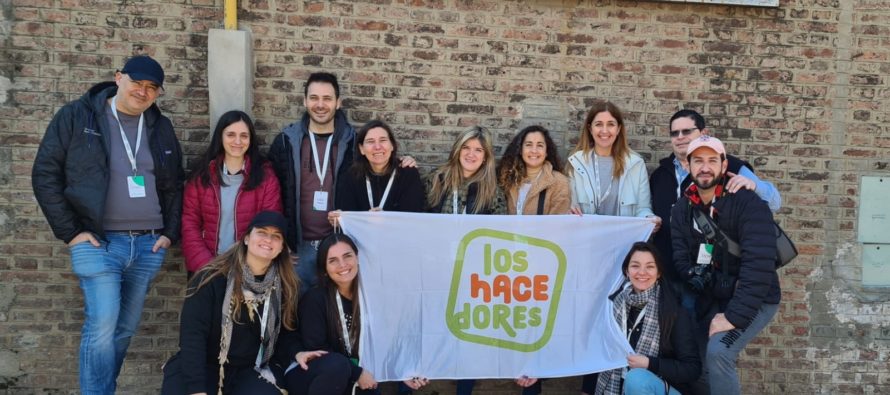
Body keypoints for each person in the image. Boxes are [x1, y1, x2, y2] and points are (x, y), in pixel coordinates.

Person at [32, 55, 183, 394]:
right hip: (99, 244)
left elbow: (174, 184)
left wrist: (169, 234)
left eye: (151, 88)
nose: (142, 92)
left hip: (147, 244)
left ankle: (103, 389)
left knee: (125, 328)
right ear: (118, 78)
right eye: (136, 83)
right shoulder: (77, 116)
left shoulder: (160, 126)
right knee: (102, 326)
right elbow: (45, 174)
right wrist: (70, 232)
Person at [268, 73, 414, 293]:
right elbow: (273, 194)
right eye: (314, 98)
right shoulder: (285, 142)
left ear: (338, 102)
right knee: (296, 312)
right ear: (304, 100)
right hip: (297, 249)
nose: (320, 105)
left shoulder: (355, 142)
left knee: (338, 311)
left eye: (327, 98)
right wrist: (280, 238)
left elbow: (376, 173)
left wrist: (402, 161)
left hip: (340, 248)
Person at [161, 211, 321, 394]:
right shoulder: (211, 278)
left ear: (282, 248)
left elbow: (284, 334)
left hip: (249, 369)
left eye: (276, 236)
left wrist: (297, 352)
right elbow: (192, 337)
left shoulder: (284, 286)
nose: (268, 240)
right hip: (203, 364)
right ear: (246, 238)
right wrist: (197, 389)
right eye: (261, 232)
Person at [670, 136, 780, 395]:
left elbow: (759, 266)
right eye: (698, 161)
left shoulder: (749, 204)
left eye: (711, 160)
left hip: (755, 296)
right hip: (715, 295)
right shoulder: (682, 208)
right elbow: (681, 259)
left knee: (719, 353)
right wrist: (701, 277)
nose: (705, 167)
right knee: (694, 360)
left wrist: (733, 317)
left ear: (723, 164)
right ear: (687, 165)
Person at [284, 233, 429, 394]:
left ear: (358, 258)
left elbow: (385, 342)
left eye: (347, 256)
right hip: (312, 375)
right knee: (336, 366)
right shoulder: (315, 299)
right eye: (333, 261)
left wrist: (402, 372)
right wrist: (357, 373)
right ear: (324, 269)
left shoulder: (371, 297)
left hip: (354, 374)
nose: (343, 264)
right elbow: (318, 351)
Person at [649, 109, 781, 283]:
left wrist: (755, 186)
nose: (679, 137)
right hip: (670, 272)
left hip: (714, 276)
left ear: (703, 133)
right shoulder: (660, 175)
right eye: (674, 133)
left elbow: (775, 202)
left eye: (687, 131)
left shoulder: (729, 166)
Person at [587, 242, 701, 395]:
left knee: (636, 379)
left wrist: (649, 364)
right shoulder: (613, 306)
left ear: (658, 272)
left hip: (661, 387)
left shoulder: (673, 310)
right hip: (617, 386)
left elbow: (692, 369)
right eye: (635, 266)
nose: (642, 272)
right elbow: (600, 353)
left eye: (650, 266)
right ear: (627, 271)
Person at [181, 110, 282, 277]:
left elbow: (270, 225)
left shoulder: (266, 178)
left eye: (244, 135)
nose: (237, 141)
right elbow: (190, 224)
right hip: (206, 267)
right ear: (220, 137)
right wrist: (207, 267)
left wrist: (249, 265)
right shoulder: (201, 176)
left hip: (249, 268)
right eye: (230, 135)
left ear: (250, 140)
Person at [566, 101, 661, 230]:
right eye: (599, 124)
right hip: (586, 240)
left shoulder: (635, 164)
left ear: (618, 129)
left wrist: (649, 219)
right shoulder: (576, 162)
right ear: (590, 129)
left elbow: (643, 208)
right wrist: (569, 209)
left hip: (623, 243)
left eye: (610, 124)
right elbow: (570, 207)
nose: (604, 130)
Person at [332, 119, 426, 214]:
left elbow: (413, 214)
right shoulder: (351, 176)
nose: (377, 147)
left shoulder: (408, 173)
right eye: (370, 141)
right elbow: (348, 215)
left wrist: (385, 218)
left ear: (392, 145)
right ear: (361, 149)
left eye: (383, 140)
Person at [427, 125, 505, 216]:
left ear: (485, 157)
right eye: (466, 148)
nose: (471, 154)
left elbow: (499, 226)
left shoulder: (493, 190)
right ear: (458, 150)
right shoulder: (437, 179)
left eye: (478, 150)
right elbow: (418, 217)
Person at [497, 125, 571, 215]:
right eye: (528, 145)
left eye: (540, 145)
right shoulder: (507, 178)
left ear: (547, 151)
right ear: (520, 150)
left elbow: (556, 224)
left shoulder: (559, 182)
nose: (534, 150)